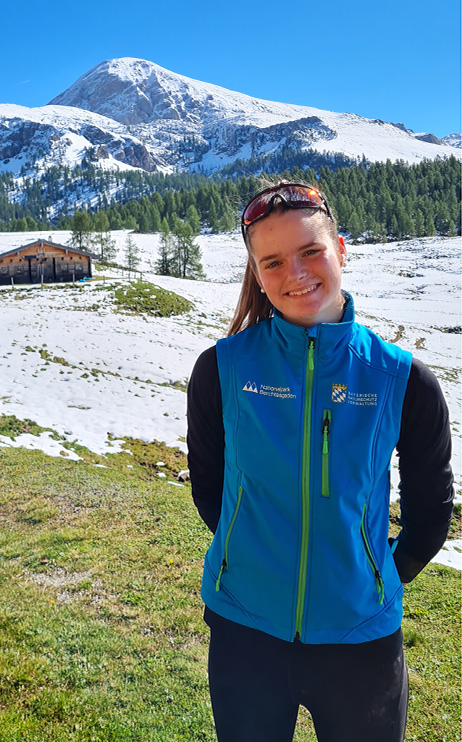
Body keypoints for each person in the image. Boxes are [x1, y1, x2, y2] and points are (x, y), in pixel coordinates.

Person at [186, 182, 454, 742]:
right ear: (258, 274)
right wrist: (252, 560)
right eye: (274, 261)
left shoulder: (401, 379)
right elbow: (209, 489)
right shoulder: (221, 371)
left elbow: (432, 511)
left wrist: (371, 579)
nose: (296, 274)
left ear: (341, 249)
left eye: (311, 251)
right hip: (245, 631)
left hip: (361, 640)